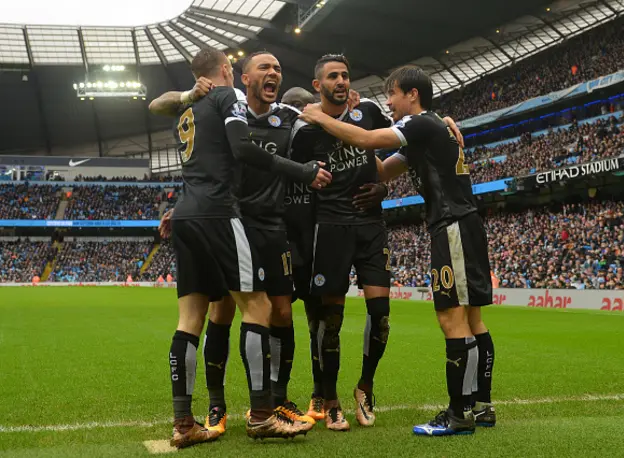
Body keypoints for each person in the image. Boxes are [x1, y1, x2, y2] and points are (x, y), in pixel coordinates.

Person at [299, 64, 495, 437]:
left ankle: (459, 414)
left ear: (412, 95)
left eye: (392, 94)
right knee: (472, 321)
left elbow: (369, 141)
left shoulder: (419, 124)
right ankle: (479, 406)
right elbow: (382, 169)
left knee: (452, 320)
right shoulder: (429, 129)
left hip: (452, 224)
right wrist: (349, 134)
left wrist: (320, 118)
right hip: (461, 223)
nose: (388, 102)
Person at [154, 47, 330, 448]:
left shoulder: (187, 109)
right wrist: (302, 171)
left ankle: (184, 423)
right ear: (227, 70)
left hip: (187, 215)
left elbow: (159, 105)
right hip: (220, 213)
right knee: (258, 307)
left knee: (189, 320)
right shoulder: (226, 96)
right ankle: (263, 415)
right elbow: (243, 149)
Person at [289, 54, 395, 432]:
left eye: (345, 75)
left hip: (371, 225)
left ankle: (365, 387)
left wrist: (384, 186)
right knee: (329, 322)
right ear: (318, 85)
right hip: (330, 227)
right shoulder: (304, 131)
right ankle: (330, 401)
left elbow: (405, 141)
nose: (341, 81)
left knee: (380, 315)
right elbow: (292, 182)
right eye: (333, 76)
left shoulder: (367, 111)